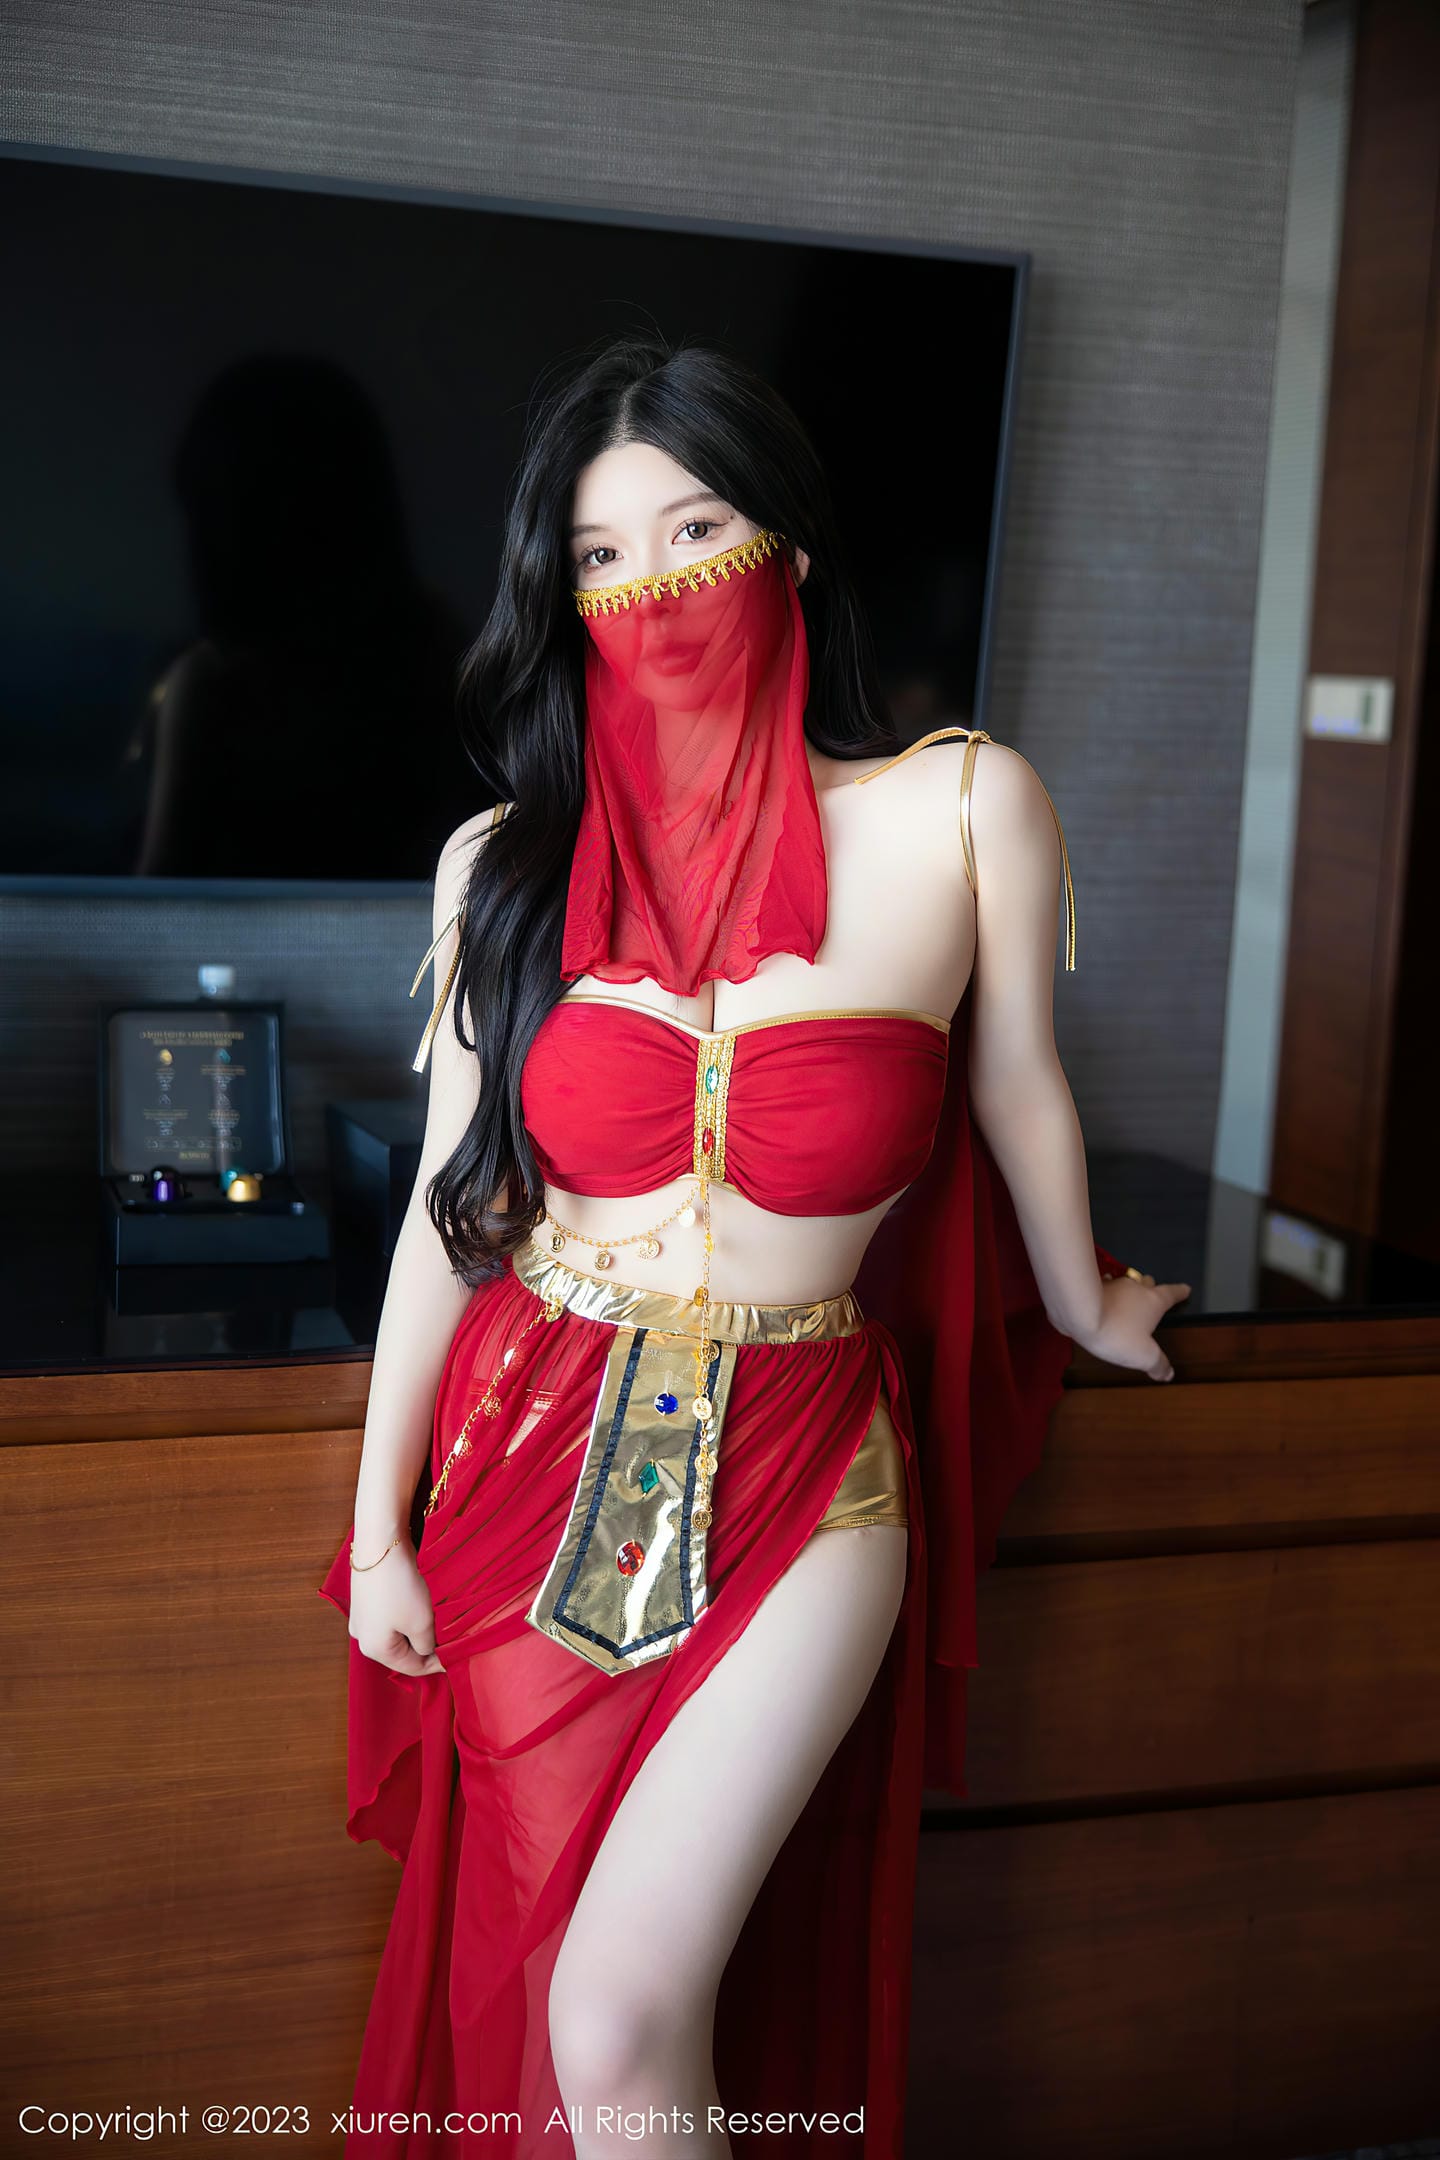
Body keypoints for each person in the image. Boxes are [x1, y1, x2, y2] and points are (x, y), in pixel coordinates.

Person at [318, 333, 1189, 2160]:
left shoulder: (965, 806)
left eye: (695, 529)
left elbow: (1020, 1091)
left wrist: (1086, 1297)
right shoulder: (505, 862)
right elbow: (450, 1210)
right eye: (601, 554)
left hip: (807, 1464)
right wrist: (378, 1523)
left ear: (789, 540)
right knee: (541, 1974)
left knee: (617, 2017)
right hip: (534, 1443)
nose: (651, 590)